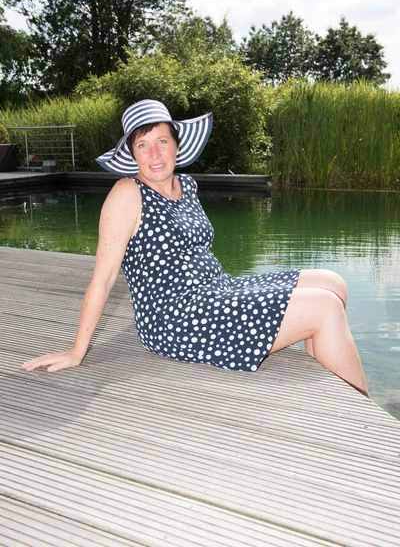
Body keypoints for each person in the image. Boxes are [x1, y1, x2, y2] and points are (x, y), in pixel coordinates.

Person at [22, 99, 370, 398]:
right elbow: (104, 276)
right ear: (132, 154)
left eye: (162, 141)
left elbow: (185, 251)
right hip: (178, 317)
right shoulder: (126, 194)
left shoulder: (188, 184)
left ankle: (330, 384)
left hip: (217, 289)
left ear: (176, 144)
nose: (155, 154)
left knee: (332, 282)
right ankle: (363, 415)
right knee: (323, 308)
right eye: (143, 145)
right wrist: (77, 351)